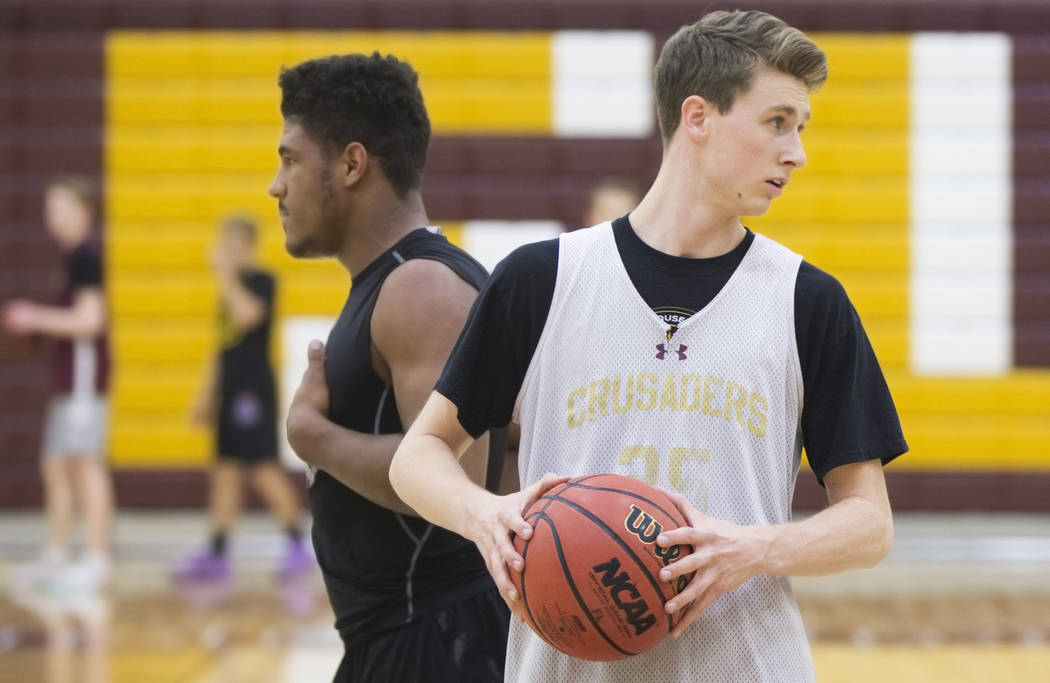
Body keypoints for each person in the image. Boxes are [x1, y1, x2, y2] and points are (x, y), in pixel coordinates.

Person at [389, 9, 907, 682]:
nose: (797, 152)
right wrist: (485, 513)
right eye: (778, 121)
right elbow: (417, 455)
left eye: (800, 128)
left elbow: (870, 523)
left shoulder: (809, 300)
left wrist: (752, 547)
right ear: (698, 117)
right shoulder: (540, 278)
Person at [268, 53, 510, 682]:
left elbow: (457, 476)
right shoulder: (397, 283)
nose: (276, 185)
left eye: (290, 158)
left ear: (351, 163)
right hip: (404, 637)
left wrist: (314, 437)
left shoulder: (420, 288)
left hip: (437, 641)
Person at [172, 215, 310, 583]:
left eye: (235, 246)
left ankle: (299, 544)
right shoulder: (229, 291)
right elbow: (224, 346)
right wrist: (205, 395)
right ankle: (217, 551)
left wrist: (225, 275)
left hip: (253, 391)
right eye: (225, 244)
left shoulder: (262, 281)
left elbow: (248, 317)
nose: (228, 253)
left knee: (261, 466)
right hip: (230, 390)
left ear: (250, 247)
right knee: (225, 469)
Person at [2, 176, 114, 590]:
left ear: (84, 211)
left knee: (85, 465)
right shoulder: (70, 257)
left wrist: (33, 317)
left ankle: (97, 558)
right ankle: (57, 553)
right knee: (54, 465)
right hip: (67, 379)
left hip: (84, 381)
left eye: (61, 207)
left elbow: (90, 321)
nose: (53, 216)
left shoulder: (85, 257)